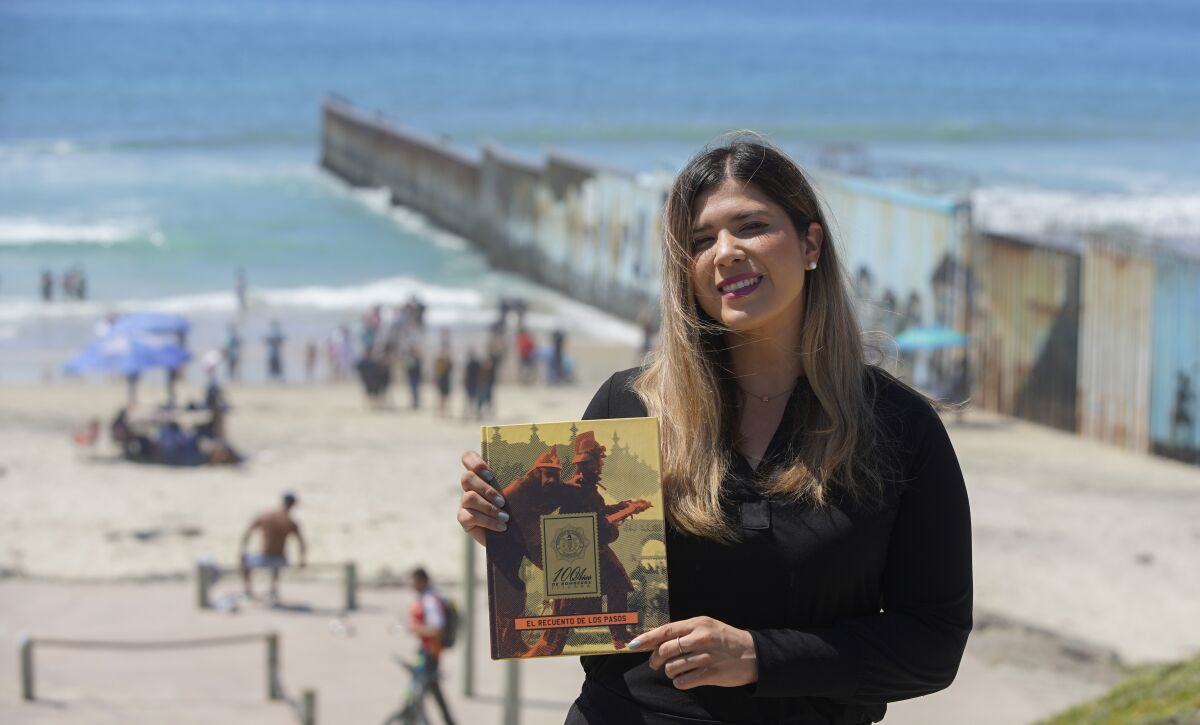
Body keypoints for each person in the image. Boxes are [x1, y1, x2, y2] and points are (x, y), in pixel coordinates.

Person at [457, 139, 972, 724]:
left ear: (810, 244)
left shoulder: (899, 426)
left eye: (750, 226)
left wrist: (758, 656)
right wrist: (509, 528)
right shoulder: (629, 406)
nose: (724, 252)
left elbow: (934, 645)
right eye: (701, 241)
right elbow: (587, 609)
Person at [405, 567, 457, 725]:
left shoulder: (429, 600)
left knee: (417, 691)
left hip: (429, 653)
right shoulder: (428, 597)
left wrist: (416, 628)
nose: (412, 584)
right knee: (432, 690)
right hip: (428, 651)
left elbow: (437, 629)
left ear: (422, 581)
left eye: (414, 581)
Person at [239, 492, 307, 603]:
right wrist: (302, 560)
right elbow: (301, 543)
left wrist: (242, 549)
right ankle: (273, 590)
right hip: (281, 559)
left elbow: (248, 532)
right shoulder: (291, 522)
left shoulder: (266, 516)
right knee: (277, 561)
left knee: (244, 561)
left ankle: (248, 591)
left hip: (266, 557)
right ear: (293, 505)